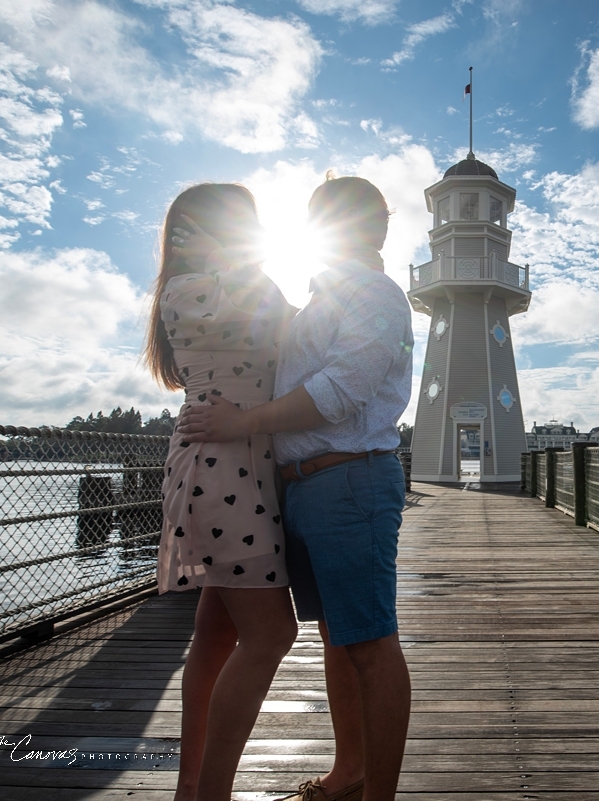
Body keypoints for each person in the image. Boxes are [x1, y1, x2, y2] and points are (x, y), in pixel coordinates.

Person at [179, 175, 414, 801]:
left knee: (369, 641)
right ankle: (349, 772)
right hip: (303, 489)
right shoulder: (319, 301)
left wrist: (241, 423)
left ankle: (376, 795)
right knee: (341, 639)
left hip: (349, 481)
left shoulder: (376, 294)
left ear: (374, 228)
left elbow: (341, 391)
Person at [144, 183, 299, 801]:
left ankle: (191, 787)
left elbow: (280, 325)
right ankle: (210, 793)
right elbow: (277, 323)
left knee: (215, 633)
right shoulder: (194, 290)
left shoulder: (228, 283)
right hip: (222, 467)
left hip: (237, 464)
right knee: (271, 635)